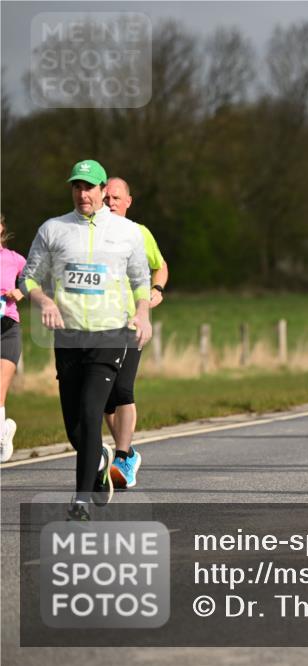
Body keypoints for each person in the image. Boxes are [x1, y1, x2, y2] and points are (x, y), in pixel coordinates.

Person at [22, 159, 151, 520]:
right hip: (68, 338)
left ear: (101, 191)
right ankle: (98, 457)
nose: (83, 194)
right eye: (76, 187)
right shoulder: (53, 229)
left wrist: (141, 314)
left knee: (93, 410)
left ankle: (80, 500)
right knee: (76, 428)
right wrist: (44, 300)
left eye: (89, 187)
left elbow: (141, 280)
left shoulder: (126, 232)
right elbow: (28, 279)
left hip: (110, 334)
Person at [101, 177, 167, 488]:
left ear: (129, 201)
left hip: (131, 322)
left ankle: (124, 456)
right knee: (105, 399)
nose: (111, 202)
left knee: (123, 388)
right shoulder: (92, 234)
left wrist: (157, 289)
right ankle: (127, 453)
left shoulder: (140, 233)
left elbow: (161, 265)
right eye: (107, 197)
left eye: (116, 197)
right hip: (99, 325)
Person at [1, 214, 26, 462]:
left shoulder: (13, 259)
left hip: (7, 328)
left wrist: (19, 290)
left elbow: (35, 278)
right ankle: (4, 431)